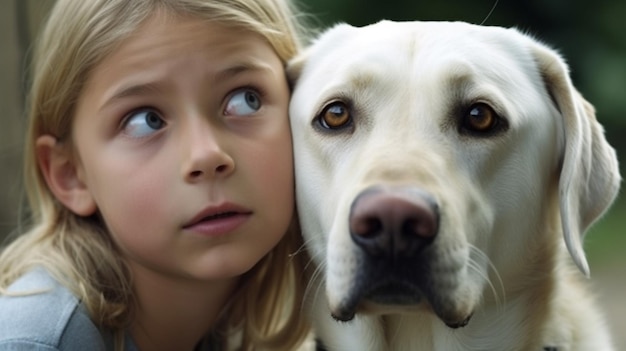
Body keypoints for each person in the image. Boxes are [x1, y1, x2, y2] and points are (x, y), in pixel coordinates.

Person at [0, 0, 313, 350]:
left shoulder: (217, 332)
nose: (206, 155)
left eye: (245, 100)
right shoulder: (35, 342)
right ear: (71, 174)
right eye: (144, 120)